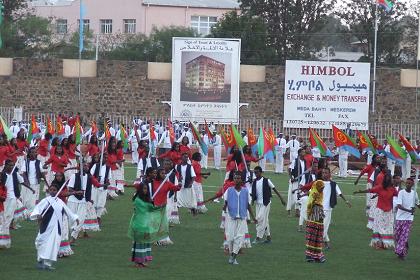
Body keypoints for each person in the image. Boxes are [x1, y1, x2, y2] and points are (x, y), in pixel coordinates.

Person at [30, 184, 79, 270]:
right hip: (46, 227)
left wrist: (75, 218)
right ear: (48, 191)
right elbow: (37, 210)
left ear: (57, 191)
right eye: (51, 190)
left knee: (52, 245)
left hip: (56, 228)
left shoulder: (60, 202)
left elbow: (68, 211)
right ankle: (40, 260)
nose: (52, 191)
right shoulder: (45, 201)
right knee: (40, 242)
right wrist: (38, 215)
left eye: (54, 190)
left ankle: (47, 264)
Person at [128, 180, 169, 268]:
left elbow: (153, 208)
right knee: (139, 244)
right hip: (139, 225)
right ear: (140, 190)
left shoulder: (145, 200)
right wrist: (150, 203)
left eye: (146, 189)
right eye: (144, 189)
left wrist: (161, 206)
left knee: (145, 243)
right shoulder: (138, 200)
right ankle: (137, 262)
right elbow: (147, 207)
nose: (145, 191)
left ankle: (142, 261)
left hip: (145, 225)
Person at [354, 172, 397, 249]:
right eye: (386, 178)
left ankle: (385, 244)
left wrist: (399, 184)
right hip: (379, 210)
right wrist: (360, 192)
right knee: (378, 227)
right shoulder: (380, 187)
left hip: (389, 212)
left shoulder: (392, 189)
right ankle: (378, 243)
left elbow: (399, 195)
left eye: (389, 178)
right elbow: (371, 190)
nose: (388, 180)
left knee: (387, 228)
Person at [223, 172, 257, 265]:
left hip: (242, 218)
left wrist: (253, 217)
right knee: (230, 238)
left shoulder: (246, 191)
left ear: (241, 180)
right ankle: (232, 256)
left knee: (239, 237)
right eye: (235, 178)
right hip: (231, 217)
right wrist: (224, 207)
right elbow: (226, 201)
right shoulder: (229, 190)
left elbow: (248, 205)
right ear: (233, 179)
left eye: (238, 178)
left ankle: (233, 256)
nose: (237, 180)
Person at [251, 166, 286, 244]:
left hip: (265, 203)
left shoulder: (267, 180)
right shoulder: (254, 182)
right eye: (255, 173)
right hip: (258, 204)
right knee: (265, 221)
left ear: (261, 172)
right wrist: (252, 201)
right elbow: (252, 193)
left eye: (257, 172)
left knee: (259, 219)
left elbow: (275, 189)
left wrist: (281, 199)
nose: (256, 174)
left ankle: (258, 237)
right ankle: (268, 237)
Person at [321, 167, 351, 249]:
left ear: (329, 174)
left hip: (327, 209)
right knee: (321, 227)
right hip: (318, 208)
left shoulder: (333, 184)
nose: (324, 174)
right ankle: (327, 244)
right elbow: (311, 192)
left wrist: (346, 201)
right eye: (323, 172)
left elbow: (340, 193)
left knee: (324, 228)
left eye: (326, 173)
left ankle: (319, 244)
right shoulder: (318, 183)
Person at [394, 178, 420, 260]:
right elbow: (399, 206)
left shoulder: (414, 193)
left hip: (409, 219)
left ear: (412, 185)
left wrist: (416, 207)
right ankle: (405, 245)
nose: (408, 184)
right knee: (397, 235)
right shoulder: (401, 193)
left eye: (410, 183)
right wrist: (409, 210)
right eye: (407, 183)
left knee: (404, 236)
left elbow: (417, 203)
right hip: (399, 217)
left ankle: (400, 253)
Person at [354, 154, 379, 229]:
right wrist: (357, 180)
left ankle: (372, 213)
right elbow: (362, 172)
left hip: (376, 185)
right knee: (369, 199)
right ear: (373, 159)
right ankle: (368, 212)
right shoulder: (369, 166)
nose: (378, 159)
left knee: (374, 200)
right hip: (370, 184)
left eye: (379, 158)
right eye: (377, 158)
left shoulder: (378, 167)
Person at [305, 180, 326, 263]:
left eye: (323, 188)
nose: (322, 190)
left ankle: (317, 255)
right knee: (312, 235)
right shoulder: (313, 193)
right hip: (314, 215)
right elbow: (310, 205)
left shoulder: (320, 194)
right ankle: (309, 255)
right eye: (321, 188)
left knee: (318, 235)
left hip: (319, 214)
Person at [20, 147, 46, 213]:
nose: (33, 153)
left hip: (35, 183)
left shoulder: (38, 162)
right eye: (32, 152)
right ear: (29, 153)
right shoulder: (26, 162)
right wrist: (27, 181)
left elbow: (41, 172)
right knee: (26, 199)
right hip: (27, 184)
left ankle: (31, 212)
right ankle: (24, 211)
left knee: (33, 198)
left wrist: (43, 174)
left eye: (35, 152)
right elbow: (23, 173)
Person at [288, 148, 306, 216]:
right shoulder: (295, 161)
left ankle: (297, 211)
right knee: (293, 196)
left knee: (299, 195)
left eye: (304, 152)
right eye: (303, 152)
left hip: (302, 181)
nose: (304, 153)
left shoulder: (304, 161)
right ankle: (289, 211)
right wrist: (291, 178)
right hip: (295, 181)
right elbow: (289, 169)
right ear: (299, 153)